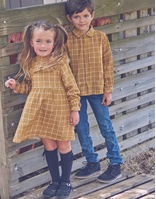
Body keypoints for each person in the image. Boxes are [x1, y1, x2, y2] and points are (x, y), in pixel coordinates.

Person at [5, 21, 80, 199]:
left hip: (60, 110)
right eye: (38, 41)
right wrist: (16, 86)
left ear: (54, 43)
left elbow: (72, 87)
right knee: (49, 145)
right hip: (42, 111)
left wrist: (74, 109)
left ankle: (65, 181)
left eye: (48, 41)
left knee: (63, 145)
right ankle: (54, 181)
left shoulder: (60, 62)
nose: (43, 45)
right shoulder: (31, 63)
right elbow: (30, 87)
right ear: (31, 42)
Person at [65, 0, 124, 183]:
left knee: (106, 126)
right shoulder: (66, 40)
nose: (81, 20)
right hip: (77, 94)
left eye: (85, 16)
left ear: (92, 15)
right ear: (69, 18)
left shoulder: (100, 38)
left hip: (98, 91)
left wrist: (108, 90)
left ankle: (115, 164)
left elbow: (108, 64)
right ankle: (92, 163)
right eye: (77, 16)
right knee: (81, 129)